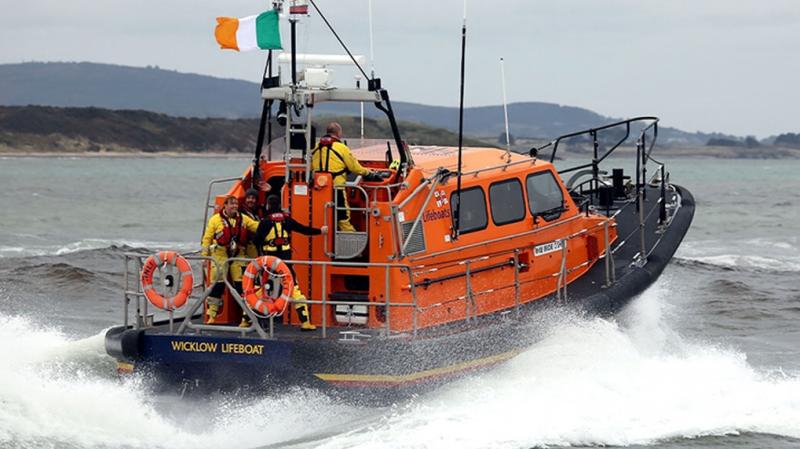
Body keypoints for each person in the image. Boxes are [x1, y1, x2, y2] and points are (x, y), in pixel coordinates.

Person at [253, 195, 328, 331]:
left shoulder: (264, 222)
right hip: (285, 262)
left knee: (260, 290)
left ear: (268, 206)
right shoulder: (287, 220)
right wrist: (320, 231)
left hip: (269, 263)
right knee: (294, 289)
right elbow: (304, 229)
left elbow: (256, 240)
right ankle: (305, 322)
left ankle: (247, 321)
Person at [201, 195, 259, 324]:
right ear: (225, 206)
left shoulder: (243, 219)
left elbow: (256, 226)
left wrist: (270, 226)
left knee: (242, 286)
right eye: (231, 204)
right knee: (217, 284)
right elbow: (207, 238)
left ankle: (246, 317)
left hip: (238, 254)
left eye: (236, 204)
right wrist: (205, 256)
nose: (234, 207)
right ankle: (212, 315)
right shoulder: (215, 220)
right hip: (220, 255)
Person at [311, 122, 373, 232]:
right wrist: (368, 173)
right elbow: (354, 167)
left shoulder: (316, 147)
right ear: (339, 133)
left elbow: (311, 166)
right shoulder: (342, 148)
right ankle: (351, 244)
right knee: (343, 217)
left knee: (321, 217)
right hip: (337, 188)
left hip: (318, 190)